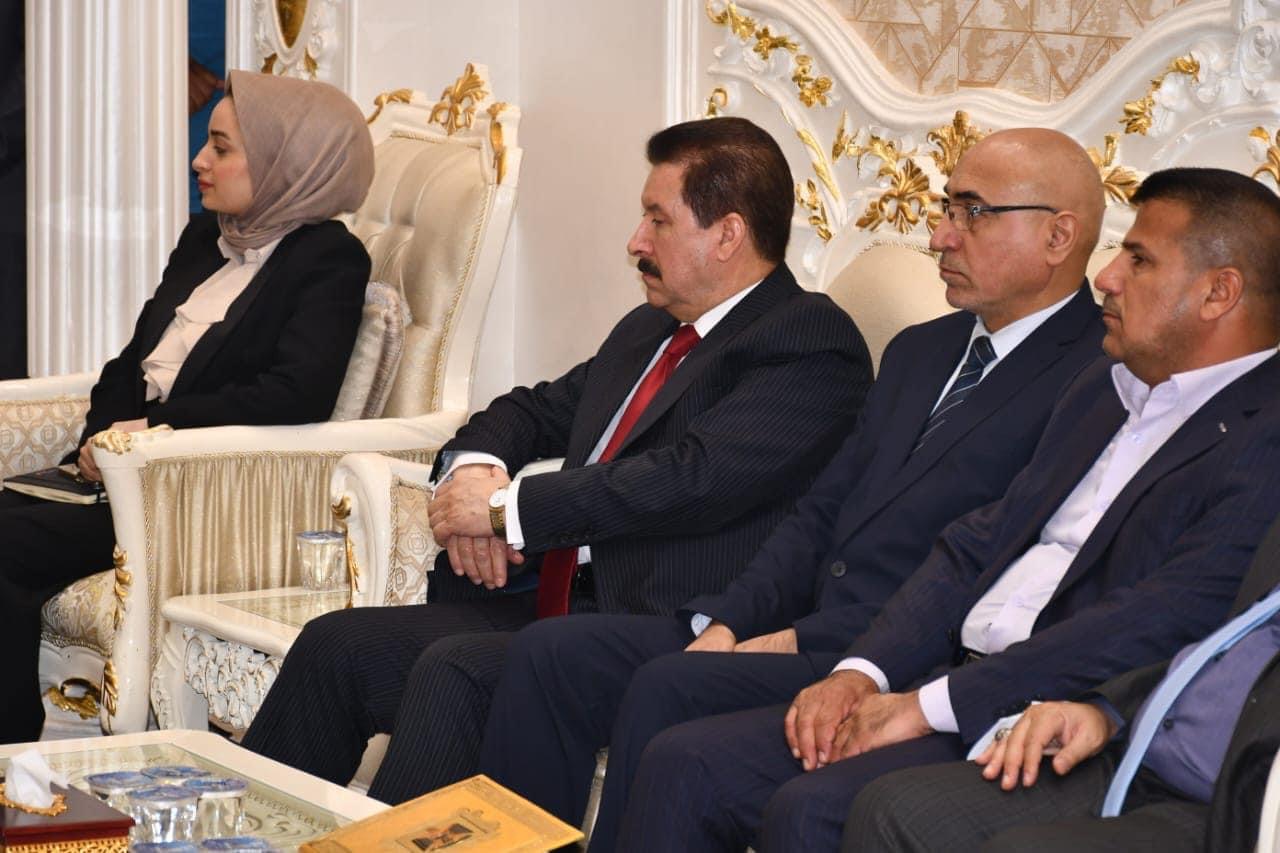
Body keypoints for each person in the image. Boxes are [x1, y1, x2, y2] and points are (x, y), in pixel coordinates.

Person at [477, 127, 1109, 853]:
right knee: (576, 659)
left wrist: (816, 644)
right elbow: (821, 511)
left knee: (667, 694)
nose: (940, 236)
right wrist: (730, 622)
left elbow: (996, 566)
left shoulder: (1097, 377)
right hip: (806, 619)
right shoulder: (921, 349)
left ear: (1058, 236)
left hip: (902, 653)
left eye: (973, 212)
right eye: (946, 209)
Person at [614, 166, 1280, 852]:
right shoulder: (1104, 387)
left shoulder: (1264, 437)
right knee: (685, 762)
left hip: (1052, 711)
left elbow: (1161, 616)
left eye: (1138, 259)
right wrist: (861, 673)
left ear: (1219, 292)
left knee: (812, 809)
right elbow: (973, 546)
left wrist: (926, 707)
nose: (1107, 276)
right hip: (944, 669)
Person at [240, 116, 874, 804]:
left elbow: (691, 477)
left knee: (457, 672)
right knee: (335, 646)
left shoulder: (808, 340)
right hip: (552, 602)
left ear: (727, 235)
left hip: (668, 624)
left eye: (658, 220)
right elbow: (532, 410)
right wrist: (475, 469)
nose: (635, 241)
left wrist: (503, 513)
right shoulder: (650, 330)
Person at [0, 70, 374, 743]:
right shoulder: (206, 238)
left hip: (190, 496)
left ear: (286, 162)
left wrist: (147, 434)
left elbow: (296, 393)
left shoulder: (330, 260)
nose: (199, 160)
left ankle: (12, 762)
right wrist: (100, 438)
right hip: (116, 476)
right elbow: (130, 362)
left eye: (221, 148)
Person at [844, 510, 1280, 853]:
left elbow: (1169, 613)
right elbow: (1226, 654)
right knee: (890, 811)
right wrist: (1105, 711)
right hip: (1138, 748)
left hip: (1235, 803)